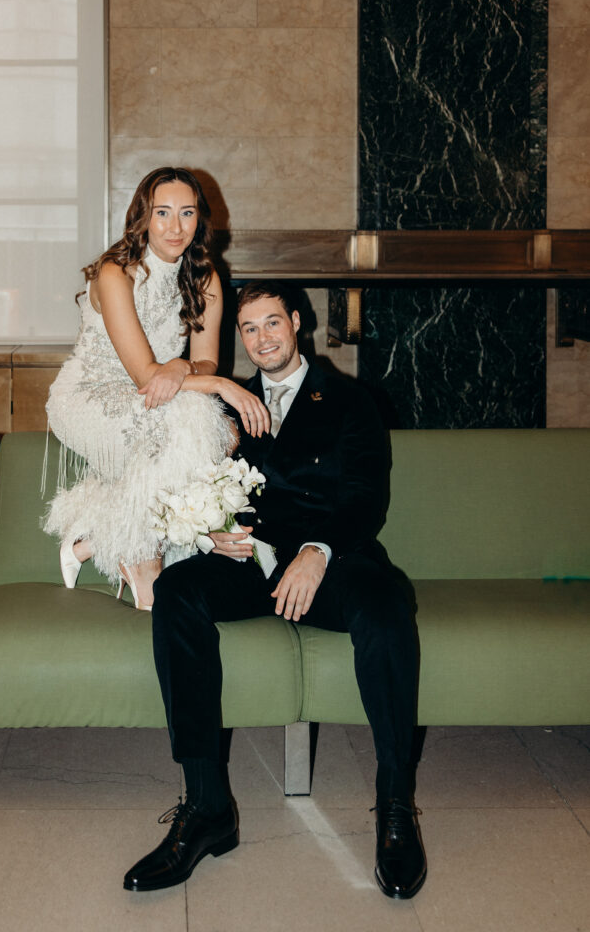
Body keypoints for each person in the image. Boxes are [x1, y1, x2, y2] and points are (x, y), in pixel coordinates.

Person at [123, 279, 427, 900]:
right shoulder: (230, 405)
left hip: (331, 562)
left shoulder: (350, 399)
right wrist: (213, 533)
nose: (261, 338)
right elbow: (195, 478)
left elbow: (368, 499)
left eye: (272, 323)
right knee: (179, 593)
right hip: (253, 564)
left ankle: (396, 806)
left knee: (388, 604)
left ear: (297, 322)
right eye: (249, 329)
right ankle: (206, 806)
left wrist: (318, 552)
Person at [43, 167, 269, 609]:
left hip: (156, 396)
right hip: (91, 395)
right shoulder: (115, 273)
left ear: (199, 220)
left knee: (220, 432)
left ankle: (95, 542)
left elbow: (201, 361)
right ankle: (145, 564)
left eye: (187, 213)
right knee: (194, 420)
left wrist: (181, 366)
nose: (175, 227)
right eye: (162, 213)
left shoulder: (205, 280)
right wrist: (221, 384)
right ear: (143, 217)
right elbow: (146, 378)